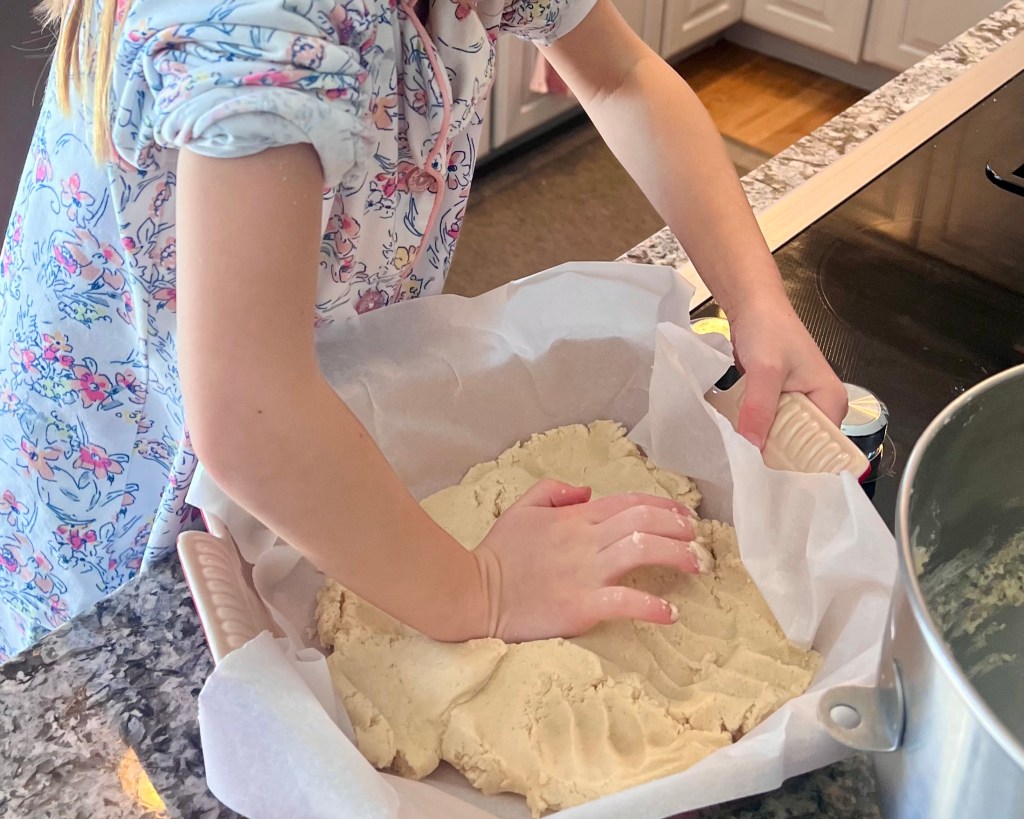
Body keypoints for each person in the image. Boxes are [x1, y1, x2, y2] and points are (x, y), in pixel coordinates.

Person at [0, 0, 847, 660]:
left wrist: (756, 302)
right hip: (125, 486)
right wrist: (483, 590)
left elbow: (621, 74)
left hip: (287, 401)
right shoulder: (265, 24)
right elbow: (248, 414)